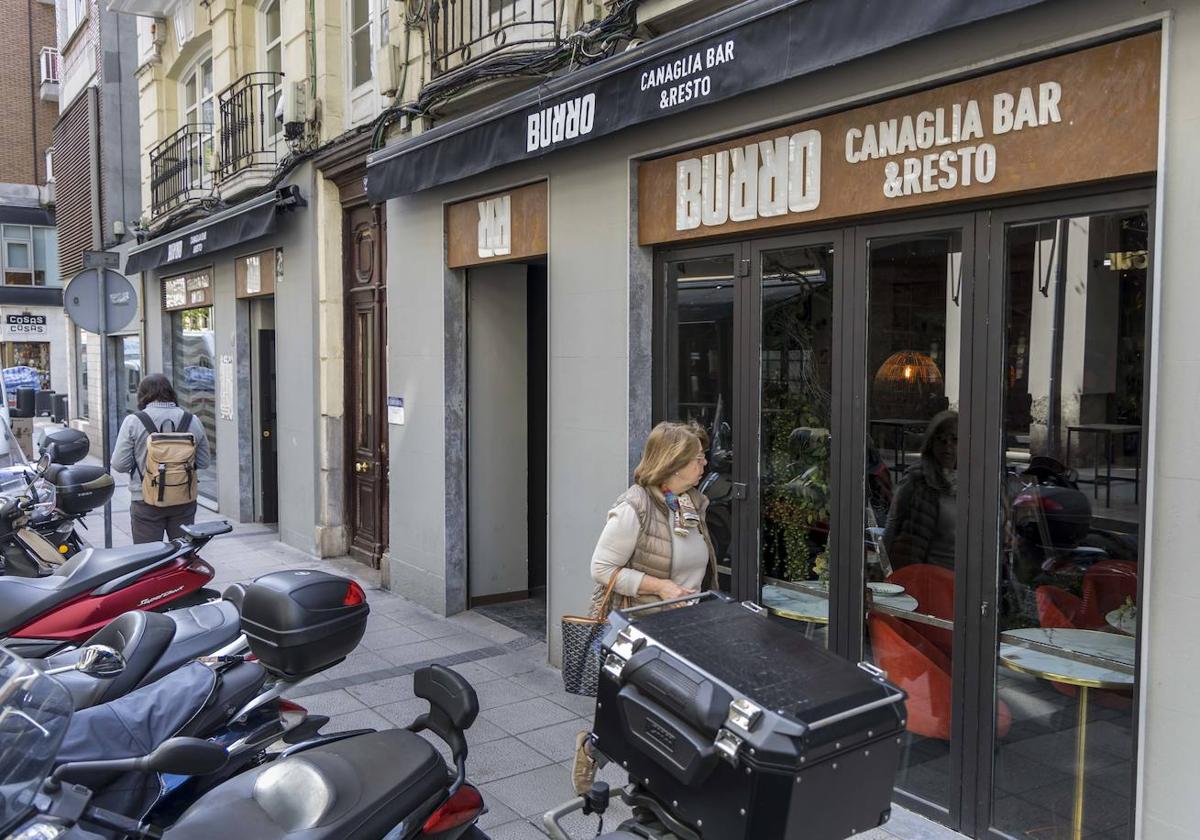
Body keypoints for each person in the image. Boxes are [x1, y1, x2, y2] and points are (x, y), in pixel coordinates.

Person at [572, 421, 719, 794]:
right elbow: (602, 570)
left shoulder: (690, 504)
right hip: (641, 630)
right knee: (637, 710)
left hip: (684, 627)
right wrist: (661, 588)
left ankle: (657, 780)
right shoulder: (633, 506)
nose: (704, 465)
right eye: (697, 459)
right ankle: (593, 748)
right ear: (673, 463)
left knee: (672, 712)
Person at [111, 374, 211, 543]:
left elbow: (120, 464)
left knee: (148, 558)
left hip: (145, 500)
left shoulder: (133, 421)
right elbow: (204, 462)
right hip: (183, 498)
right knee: (182, 555)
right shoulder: (192, 420)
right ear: (171, 393)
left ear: (142, 394)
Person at [882, 410, 958, 570]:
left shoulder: (974, 483)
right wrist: (883, 571)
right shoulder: (917, 479)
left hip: (964, 583)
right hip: (928, 580)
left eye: (955, 440)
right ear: (931, 443)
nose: (948, 446)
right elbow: (892, 525)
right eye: (941, 439)